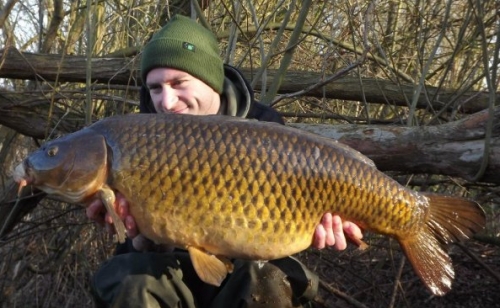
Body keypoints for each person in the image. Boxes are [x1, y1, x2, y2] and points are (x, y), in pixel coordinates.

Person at [88, 15, 363, 308]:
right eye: (155, 88)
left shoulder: (266, 129)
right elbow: (132, 250)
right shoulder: (132, 140)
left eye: (179, 83)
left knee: (266, 278)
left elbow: (280, 236)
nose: (166, 102)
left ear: (211, 81)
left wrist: (326, 224)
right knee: (130, 279)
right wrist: (142, 238)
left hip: (245, 271)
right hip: (167, 271)